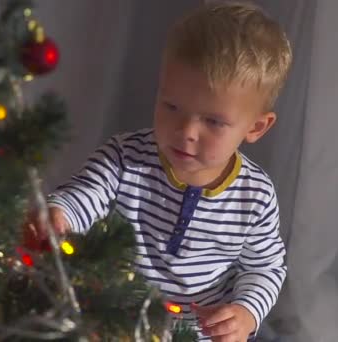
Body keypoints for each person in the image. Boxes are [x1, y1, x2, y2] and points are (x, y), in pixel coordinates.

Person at [25, 1, 292, 340]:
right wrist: (59, 214)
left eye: (212, 121)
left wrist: (245, 313)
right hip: (117, 318)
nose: (187, 131)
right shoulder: (125, 157)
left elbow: (265, 267)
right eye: (171, 106)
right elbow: (85, 194)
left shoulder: (255, 195)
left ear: (255, 127)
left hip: (198, 331)